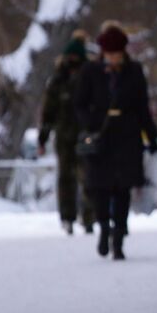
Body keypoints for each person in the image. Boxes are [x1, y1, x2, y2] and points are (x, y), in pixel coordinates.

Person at [73, 24, 157, 261]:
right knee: (100, 187)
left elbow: (143, 107)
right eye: (109, 54)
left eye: (117, 54)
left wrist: (152, 138)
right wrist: (91, 123)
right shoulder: (90, 72)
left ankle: (119, 237)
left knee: (123, 188)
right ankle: (104, 228)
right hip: (100, 137)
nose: (113, 58)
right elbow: (79, 103)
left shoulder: (134, 72)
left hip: (127, 137)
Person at [38, 31, 95, 236]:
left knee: (87, 176)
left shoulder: (89, 77)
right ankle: (67, 217)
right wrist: (42, 137)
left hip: (84, 133)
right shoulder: (58, 80)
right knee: (66, 178)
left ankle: (88, 217)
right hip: (64, 136)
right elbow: (48, 111)